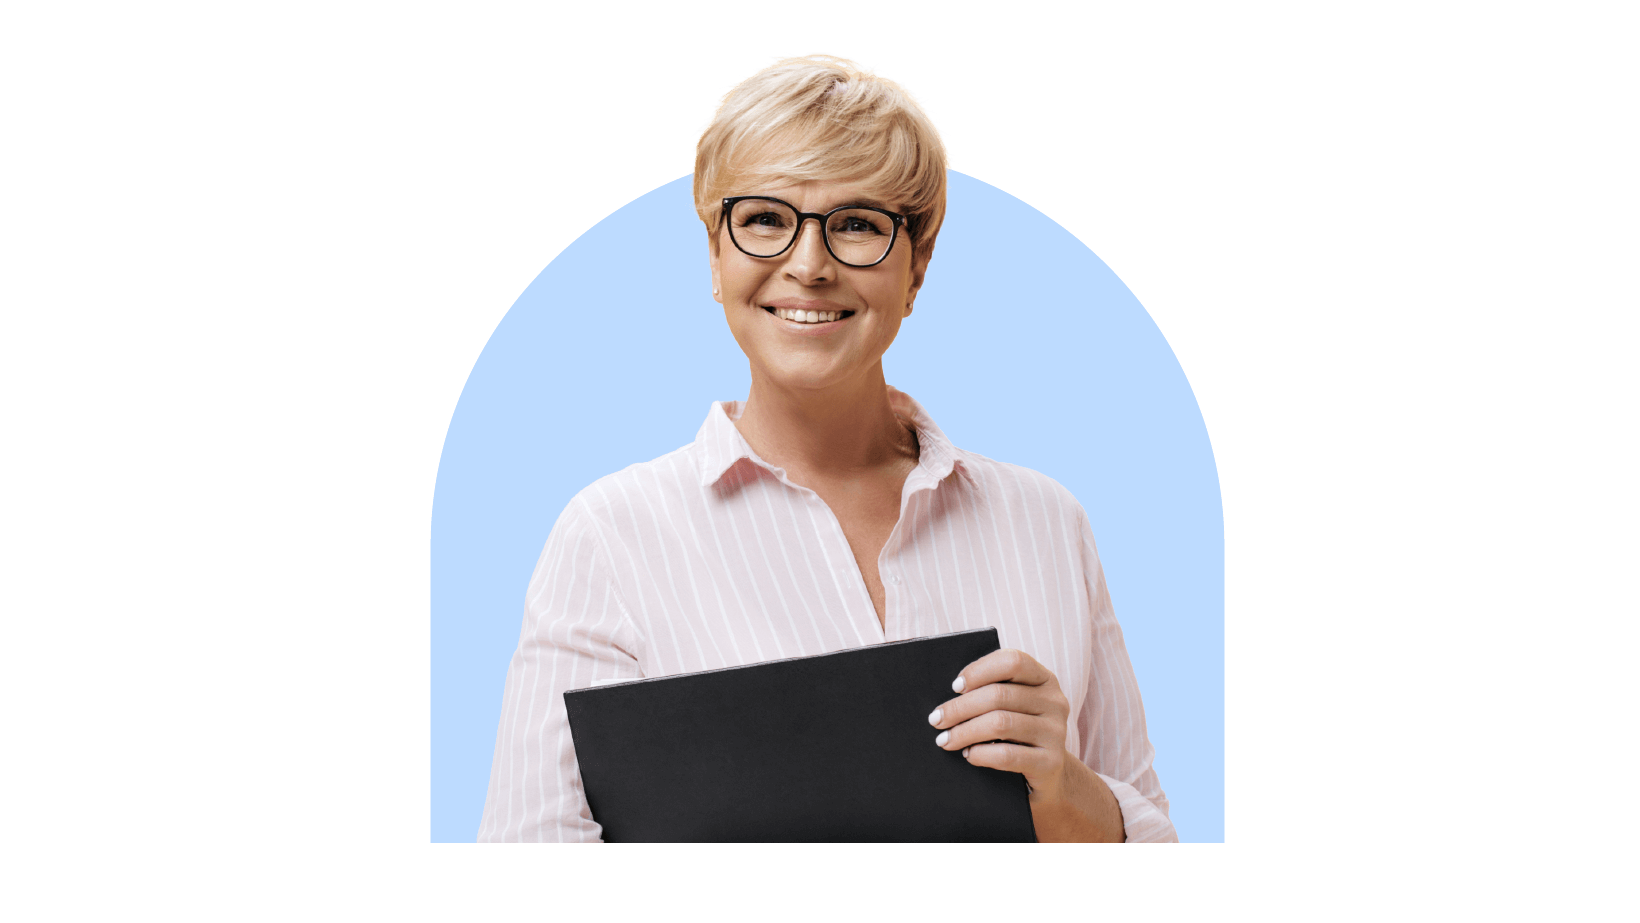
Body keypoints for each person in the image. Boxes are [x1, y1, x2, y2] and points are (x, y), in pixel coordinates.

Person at [477, 52, 1176, 843]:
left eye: (856, 225)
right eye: (766, 219)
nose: (809, 266)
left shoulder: (1048, 522)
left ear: (917, 267)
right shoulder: (610, 535)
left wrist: (1064, 790)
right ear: (716, 255)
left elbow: (1149, 824)